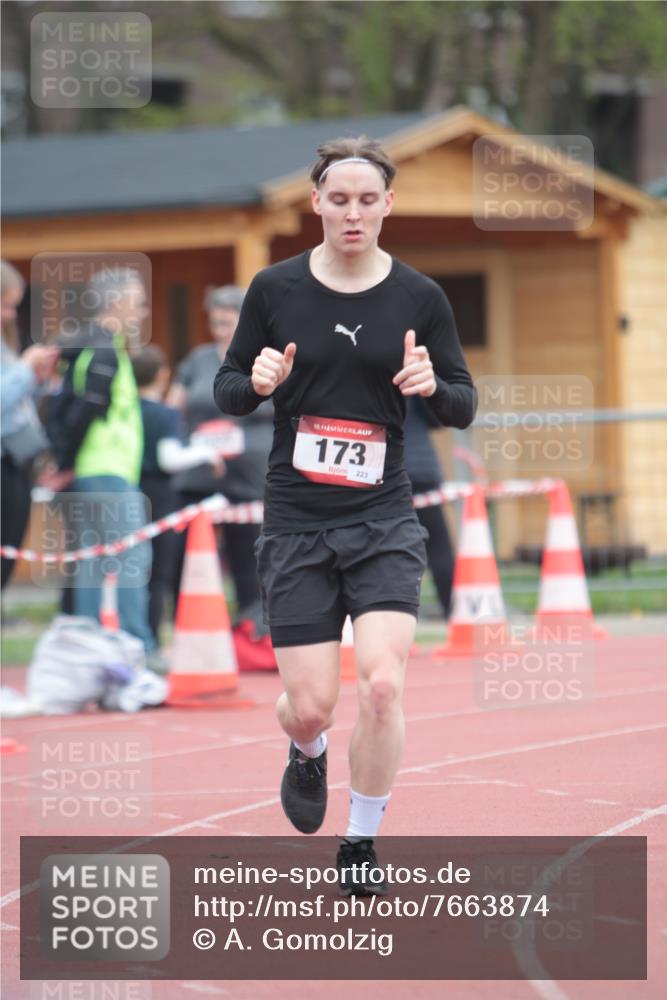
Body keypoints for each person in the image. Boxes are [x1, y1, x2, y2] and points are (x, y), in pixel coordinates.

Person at [214, 136, 476, 894]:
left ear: (387, 204)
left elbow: (462, 404)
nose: (352, 213)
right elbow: (228, 390)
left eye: (366, 200)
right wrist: (257, 380)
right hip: (297, 518)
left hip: (384, 516)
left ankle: (360, 841)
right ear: (316, 204)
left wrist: (431, 385)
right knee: (310, 707)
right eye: (338, 199)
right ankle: (306, 749)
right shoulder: (275, 289)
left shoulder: (420, 297)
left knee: (384, 686)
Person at [44, 267, 158, 659]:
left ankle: (86, 649)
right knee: (132, 558)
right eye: (138, 302)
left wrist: (65, 462)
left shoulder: (93, 347)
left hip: (93, 470)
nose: (142, 311)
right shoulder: (104, 350)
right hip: (107, 471)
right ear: (116, 302)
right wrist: (65, 462)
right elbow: (85, 411)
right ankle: (138, 647)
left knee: (91, 561)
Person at [168, 286, 273, 625]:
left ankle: (252, 624)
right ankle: (191, 622)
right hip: (200, 469)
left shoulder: (265, 357)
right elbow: (174, 407)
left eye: (227, 323)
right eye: (215, 323)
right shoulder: (198, 359)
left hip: (249, 471)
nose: (220, 331)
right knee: (187, 550)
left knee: (249, 553)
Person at [132, 344, 227, 645]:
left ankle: (135, 636)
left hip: (131, 490)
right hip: (160, 496)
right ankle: (151, 640)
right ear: (163, 375)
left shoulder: (125, 410)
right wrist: (206, 453)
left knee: (134, 570)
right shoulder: (165, 414)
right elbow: (169, 459)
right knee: (160, 571)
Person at [1, 260, 59, 589]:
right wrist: (25, 367)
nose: (11, 315)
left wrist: (37, 378)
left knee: (9, 553)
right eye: (6, 306)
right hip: (4, 460)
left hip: (17, 460)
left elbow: (16, 403)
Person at [404, 396, 455, 619]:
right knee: (438, 546)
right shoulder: (415, 380)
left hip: (389, 472)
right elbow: (437, 419)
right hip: (423, 469)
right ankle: (453, 610)